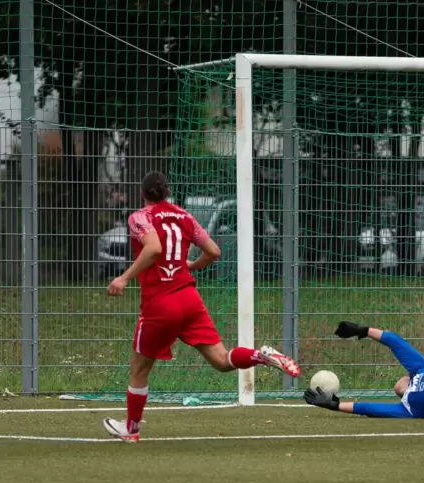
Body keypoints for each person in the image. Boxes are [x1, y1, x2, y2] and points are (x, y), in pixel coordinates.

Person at [103, 171, 300, 442]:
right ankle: (262, 355)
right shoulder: (184, 216)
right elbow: (214, 251)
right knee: (221, 361)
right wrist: (193, 266)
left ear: (143, 193)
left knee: (139, 370)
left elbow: (153, 248)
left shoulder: (140, 217)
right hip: (189, 298)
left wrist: (124, 278)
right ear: (167, 192)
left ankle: (132, 430)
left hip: (161, 304)